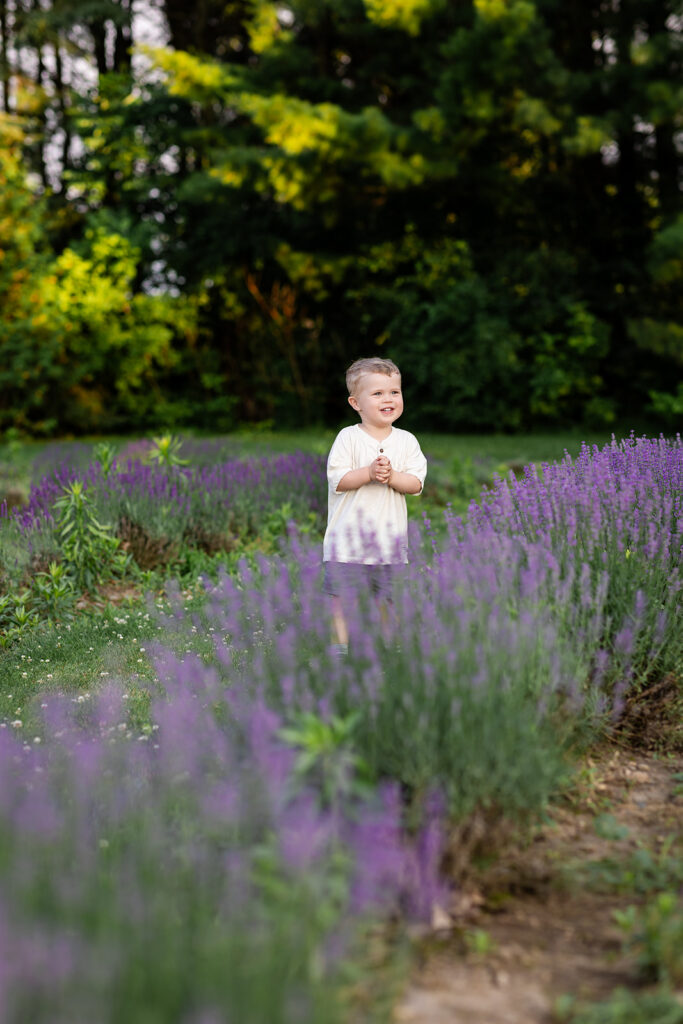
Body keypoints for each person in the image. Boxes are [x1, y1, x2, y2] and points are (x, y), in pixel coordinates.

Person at [323, 356, 427, 654]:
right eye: (378, 393)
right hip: (346, 543)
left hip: (389, 544)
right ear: (356, 403)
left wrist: (392, 475)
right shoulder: (348, 438)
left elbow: (416, 484)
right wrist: (368, 473)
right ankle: (339, 653)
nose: (389, 399)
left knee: (388, 600)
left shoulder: (407, 441)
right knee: (342, 601)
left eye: (394, 391)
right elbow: (338, 480)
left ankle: (390, 651)